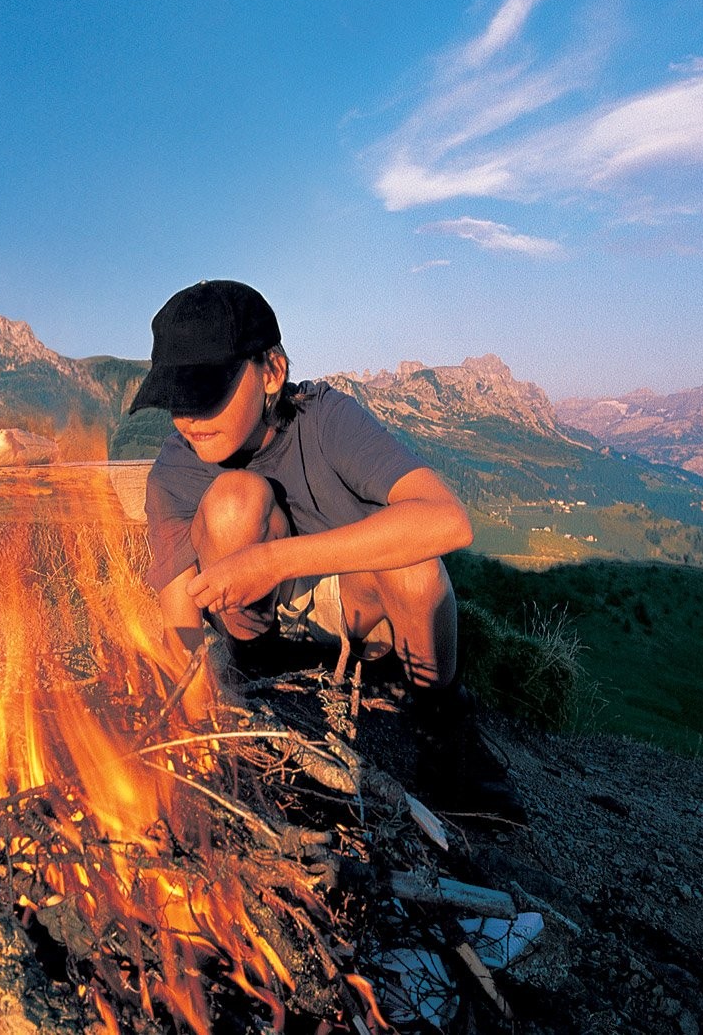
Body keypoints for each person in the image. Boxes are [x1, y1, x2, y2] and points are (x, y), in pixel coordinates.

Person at [132, 279, 523, 822]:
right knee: (233, 500)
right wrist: (199, 727)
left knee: (413, 561)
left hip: (356, 613)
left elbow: (447, 520)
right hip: (257, 638)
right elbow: (180, 624)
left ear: (272, 371)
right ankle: (266, 685)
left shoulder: (326, 419)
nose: (189, 417)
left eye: (207, 392)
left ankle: (442, 728)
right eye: (176, 399)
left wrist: (274, 561)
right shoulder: (175, 471)